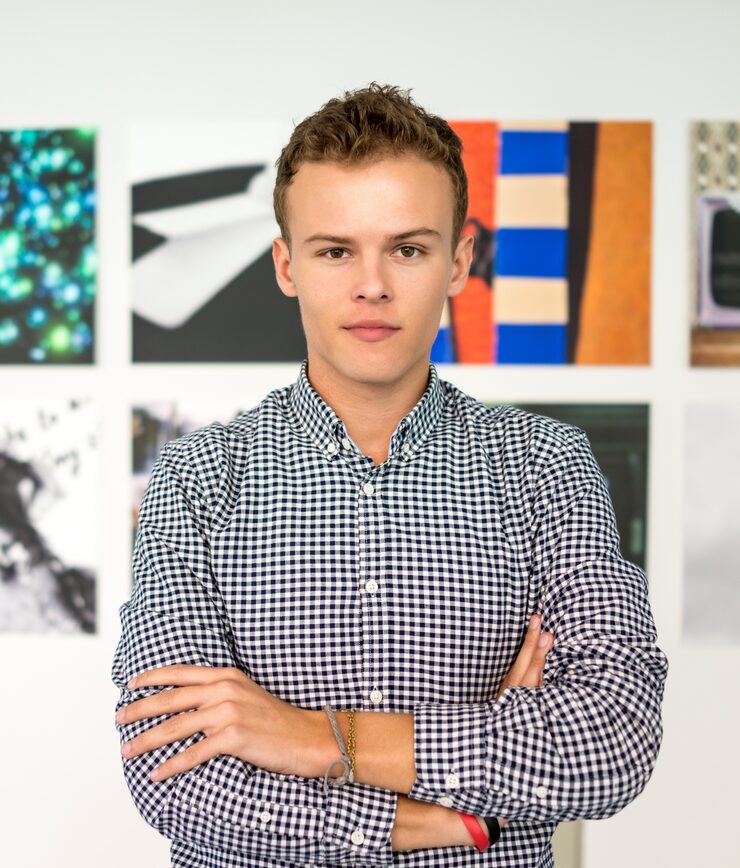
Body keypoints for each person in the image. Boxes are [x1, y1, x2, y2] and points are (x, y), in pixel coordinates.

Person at [112, 82, 668, 867]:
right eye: (335, 250)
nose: (372, 285)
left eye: (407, 249)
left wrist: (317, 738)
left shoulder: (547, 465)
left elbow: (610, 741)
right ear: (287, 266)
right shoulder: (197, 477)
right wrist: (451, 813)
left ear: (458, 262)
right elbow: (176, 777)